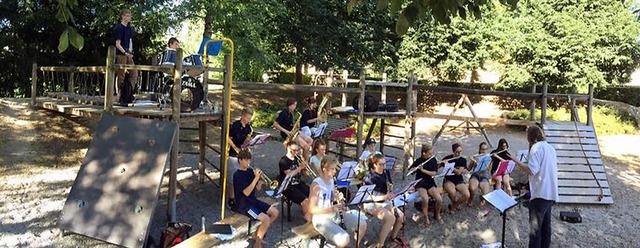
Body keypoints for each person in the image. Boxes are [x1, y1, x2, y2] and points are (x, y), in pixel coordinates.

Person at [510, 125, 558, 248]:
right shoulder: (550, 148)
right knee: (546, 228)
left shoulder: (536, 148)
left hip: (540, 194)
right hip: (551, 192)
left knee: (535, 231)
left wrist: (515, 160)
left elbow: (532, 170)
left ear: (530, 138)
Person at [309, 155, 367, 248]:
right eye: (332, 169)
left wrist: (338, 198)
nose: (335, 172)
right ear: (324, 169)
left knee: (362, 224)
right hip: (320, 219)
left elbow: (331, 199)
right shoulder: (316, 184)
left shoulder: (331, 180)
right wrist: (331, 209)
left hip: (333, 213)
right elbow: (312, 209)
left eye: (335, 169)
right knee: (344, 239)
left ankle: (357, 245)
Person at [233, 150, 279, 248]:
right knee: (266, 219)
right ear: (240, 160)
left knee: (275, 212)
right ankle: (257, 244)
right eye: (246, 160)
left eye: (249, 160)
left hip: (252, 201)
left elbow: (257, 189)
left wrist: (260, 181)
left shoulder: (250, 171)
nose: (248, 162)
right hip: (244, 205)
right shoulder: (237, 175)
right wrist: (255, 179)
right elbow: (246, 193)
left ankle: (257, 234)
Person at [363, 153, 405, 248]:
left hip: (384, 201)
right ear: (374, 165)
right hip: (372, 203)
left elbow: (389, 186)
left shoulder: (386, 172)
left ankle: (393, 237)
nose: (383, 166)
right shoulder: (370, 177)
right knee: (391, 218)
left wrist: (390, 188)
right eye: (380, 164)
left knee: (401, 216)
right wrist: (385, 197)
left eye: (384, 164)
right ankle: (380, 244)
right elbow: (368, 197)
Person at [226, 108, 254, 209]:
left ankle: (241, 198)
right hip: (234, 154)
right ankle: (231, 199)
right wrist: (235, 148)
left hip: (243, 156)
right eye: (247, 118)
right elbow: (228, 138)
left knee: (243, 177)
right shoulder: (235, 125)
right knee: (233, 178)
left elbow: (246, 141)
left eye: (250, 118)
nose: (248, 120)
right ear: (242, 116)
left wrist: (248, 142)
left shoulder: (248, 128)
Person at [278, 141, 311, 222]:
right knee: (305, 200)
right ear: (288, 148)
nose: (295, 152)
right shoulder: (283, 161)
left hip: (298, 184)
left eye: (297, 150)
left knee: (314, 193)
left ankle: (314, 215)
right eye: (293, 150)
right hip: (288, 187)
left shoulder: (297, 158)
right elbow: (289, 174)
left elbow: (304, 174)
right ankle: (309, 221)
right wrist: (300, 168)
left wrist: (305, 168)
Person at [412, 144, 443, 225]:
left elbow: (434, 173)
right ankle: (426, 217)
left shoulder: (433, 160)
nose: (431, 155)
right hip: (420, 182)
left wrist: (423, 170)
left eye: (431, 153)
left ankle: (437, 214)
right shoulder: (418, 161)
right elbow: (411, 170)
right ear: (424, 153)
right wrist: (414, 169)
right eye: (429, 153)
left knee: (439, 199)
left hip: (430, 182)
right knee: (425, 199)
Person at [114, 9, 138, 97]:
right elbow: (117, 44)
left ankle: (128, 92)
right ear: (122, 16)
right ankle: (120, 95)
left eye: (130, 16)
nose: (129, 17)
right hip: (121, 54)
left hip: (128, 53)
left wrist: (130, 52)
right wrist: (125, 52)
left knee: (134, 74)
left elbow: (130, 40)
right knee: (121, 75)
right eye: (127, 15)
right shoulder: (119, 28)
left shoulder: (129, 28)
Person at [442, 143, 470, 214]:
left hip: (458, 179)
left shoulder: (463, 160)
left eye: (460, 151)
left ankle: (453, 205)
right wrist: (440, 163)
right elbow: (436, 168)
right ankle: (454, 203)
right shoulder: (447, 158)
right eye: (457, 152)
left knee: (467, 195)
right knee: (452, 193)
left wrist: (449, 165)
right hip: (448, 179)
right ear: (453, 151)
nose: (459, 153)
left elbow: (458, 172)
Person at [467, 142, 492, 207]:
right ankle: (471, 198)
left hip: (484, 175)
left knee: (486, 193)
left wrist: (488, 161)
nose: (484, 151)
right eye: (483, 149)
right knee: (472, 188)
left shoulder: (488, 157)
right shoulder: (475, 156)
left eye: (486, 149)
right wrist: (472, 161)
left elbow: (487, 168)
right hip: (475, 175)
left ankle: (482, 198)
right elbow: (469, 169)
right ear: (480, 149)